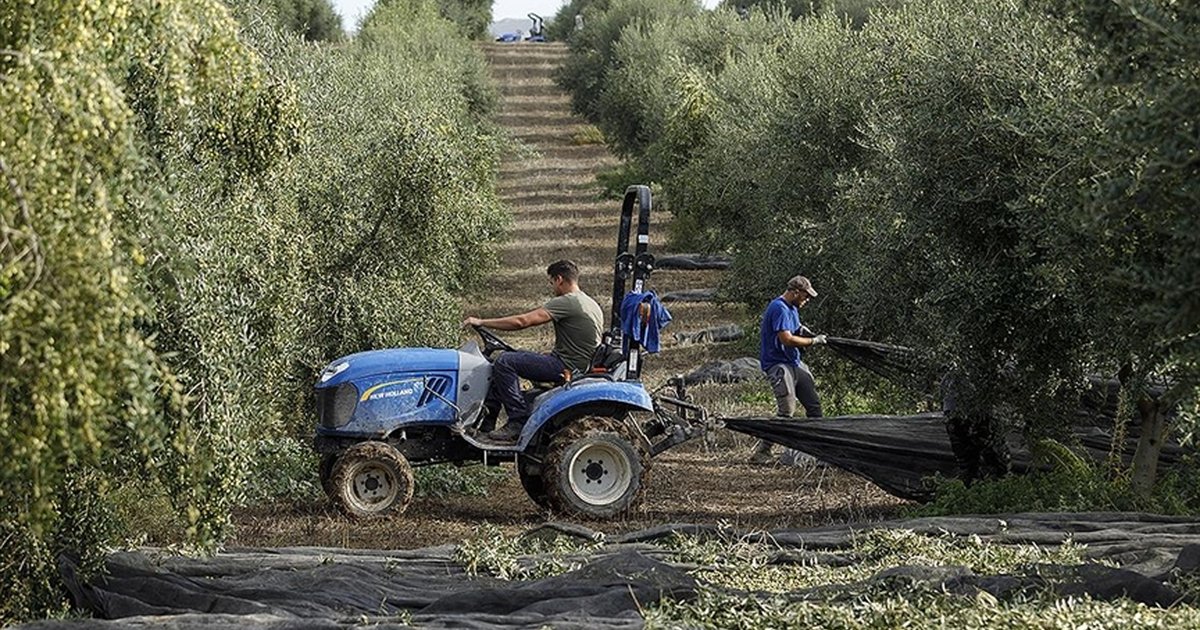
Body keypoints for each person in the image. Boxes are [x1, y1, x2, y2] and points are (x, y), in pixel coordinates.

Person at [462, 260, 603, 441]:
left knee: (505, 361)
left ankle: (517, 422)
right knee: (509, 356)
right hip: (572, 363)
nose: (552, 287)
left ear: (559, 279)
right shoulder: (590, 302)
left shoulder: (568, 302)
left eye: (552, 282)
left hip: (567, 368)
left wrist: (481, 322)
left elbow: (523, 321)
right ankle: (487, 423)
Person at [751, 274, 827, 464]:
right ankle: (762, 452)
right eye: (805, 296)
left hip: (794, 362)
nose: (807, 300)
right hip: (779, 364)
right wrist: (812, 341)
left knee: (814, 407)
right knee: (786, 411)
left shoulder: (792, 308)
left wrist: (803, 330)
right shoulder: (779, 308)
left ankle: (817, 449)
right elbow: (786, 339)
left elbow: (794, 329)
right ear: (794, 292)